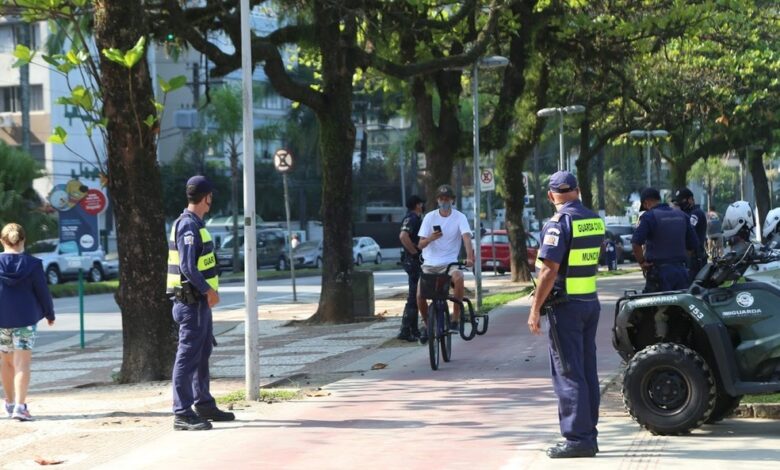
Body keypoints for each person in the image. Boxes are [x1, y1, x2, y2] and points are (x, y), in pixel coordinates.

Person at [527, 171, 604, 459]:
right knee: (586, 371)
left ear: (551, 195)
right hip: (589, 301)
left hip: (565, 307)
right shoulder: (593, 219)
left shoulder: (559, 223)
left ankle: (577, 439)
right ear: (578, 190)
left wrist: (535, 308)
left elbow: (549, 269)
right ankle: (589, 434)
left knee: (568, 373)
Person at [167, 175, 234, 431]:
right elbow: (187, 266)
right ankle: (182, 412)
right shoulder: (187, 226)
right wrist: (209, 291)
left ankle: (203, 403)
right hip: (191, 302)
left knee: (202, 353)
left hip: (198, 303)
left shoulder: (195, 223)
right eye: (211, 196)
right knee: (187, 356)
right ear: (207, 197)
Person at [0, 223, 55, 421]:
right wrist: (49, 314)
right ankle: (21, 408)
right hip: (25, 320)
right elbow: (42, 292)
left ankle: (9, 403)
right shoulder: (33, 264)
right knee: (22, 363)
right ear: (23, 240)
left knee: (5, 363)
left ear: (2, 241)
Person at [416, 184, 474, 344]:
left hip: (450, 263)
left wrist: (470, 258)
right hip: (429, 264)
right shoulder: (429, 217)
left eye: (447, 198)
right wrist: (430, 239)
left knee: (459, 278)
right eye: (441, 199)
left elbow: (467, 238)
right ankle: (427, 325)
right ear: (437, 200)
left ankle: (455, 318)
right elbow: (420, 245)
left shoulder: (459, 217)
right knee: (419, 294)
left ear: (452, 200)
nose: (444, 201)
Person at [631, 188, 699, 292]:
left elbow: (636, 244)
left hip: (659, 274)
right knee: (680, 306)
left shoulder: (649, 216)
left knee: (656, 306)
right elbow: (693, 244)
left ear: (646, 203)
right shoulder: (682, 215)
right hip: (681, 273)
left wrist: (642, 262)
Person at [397, 195, 425, 342]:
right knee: (415, 295)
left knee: (415, 295)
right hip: (412, 262)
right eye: (422, 203)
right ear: (418, 205)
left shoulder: (413, 218)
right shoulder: (412, 218)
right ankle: (407, 330)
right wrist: (414, 253)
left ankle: (411, 330)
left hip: (411, 261)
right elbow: (403, 236)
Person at [672, 188, 708, 280]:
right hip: (684, 258)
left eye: (682, 200)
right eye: (677, 202)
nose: (680, 204)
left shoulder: (696, 213)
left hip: (695, 259)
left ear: (691, 199)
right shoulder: (682, 213)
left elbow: (686, 229)